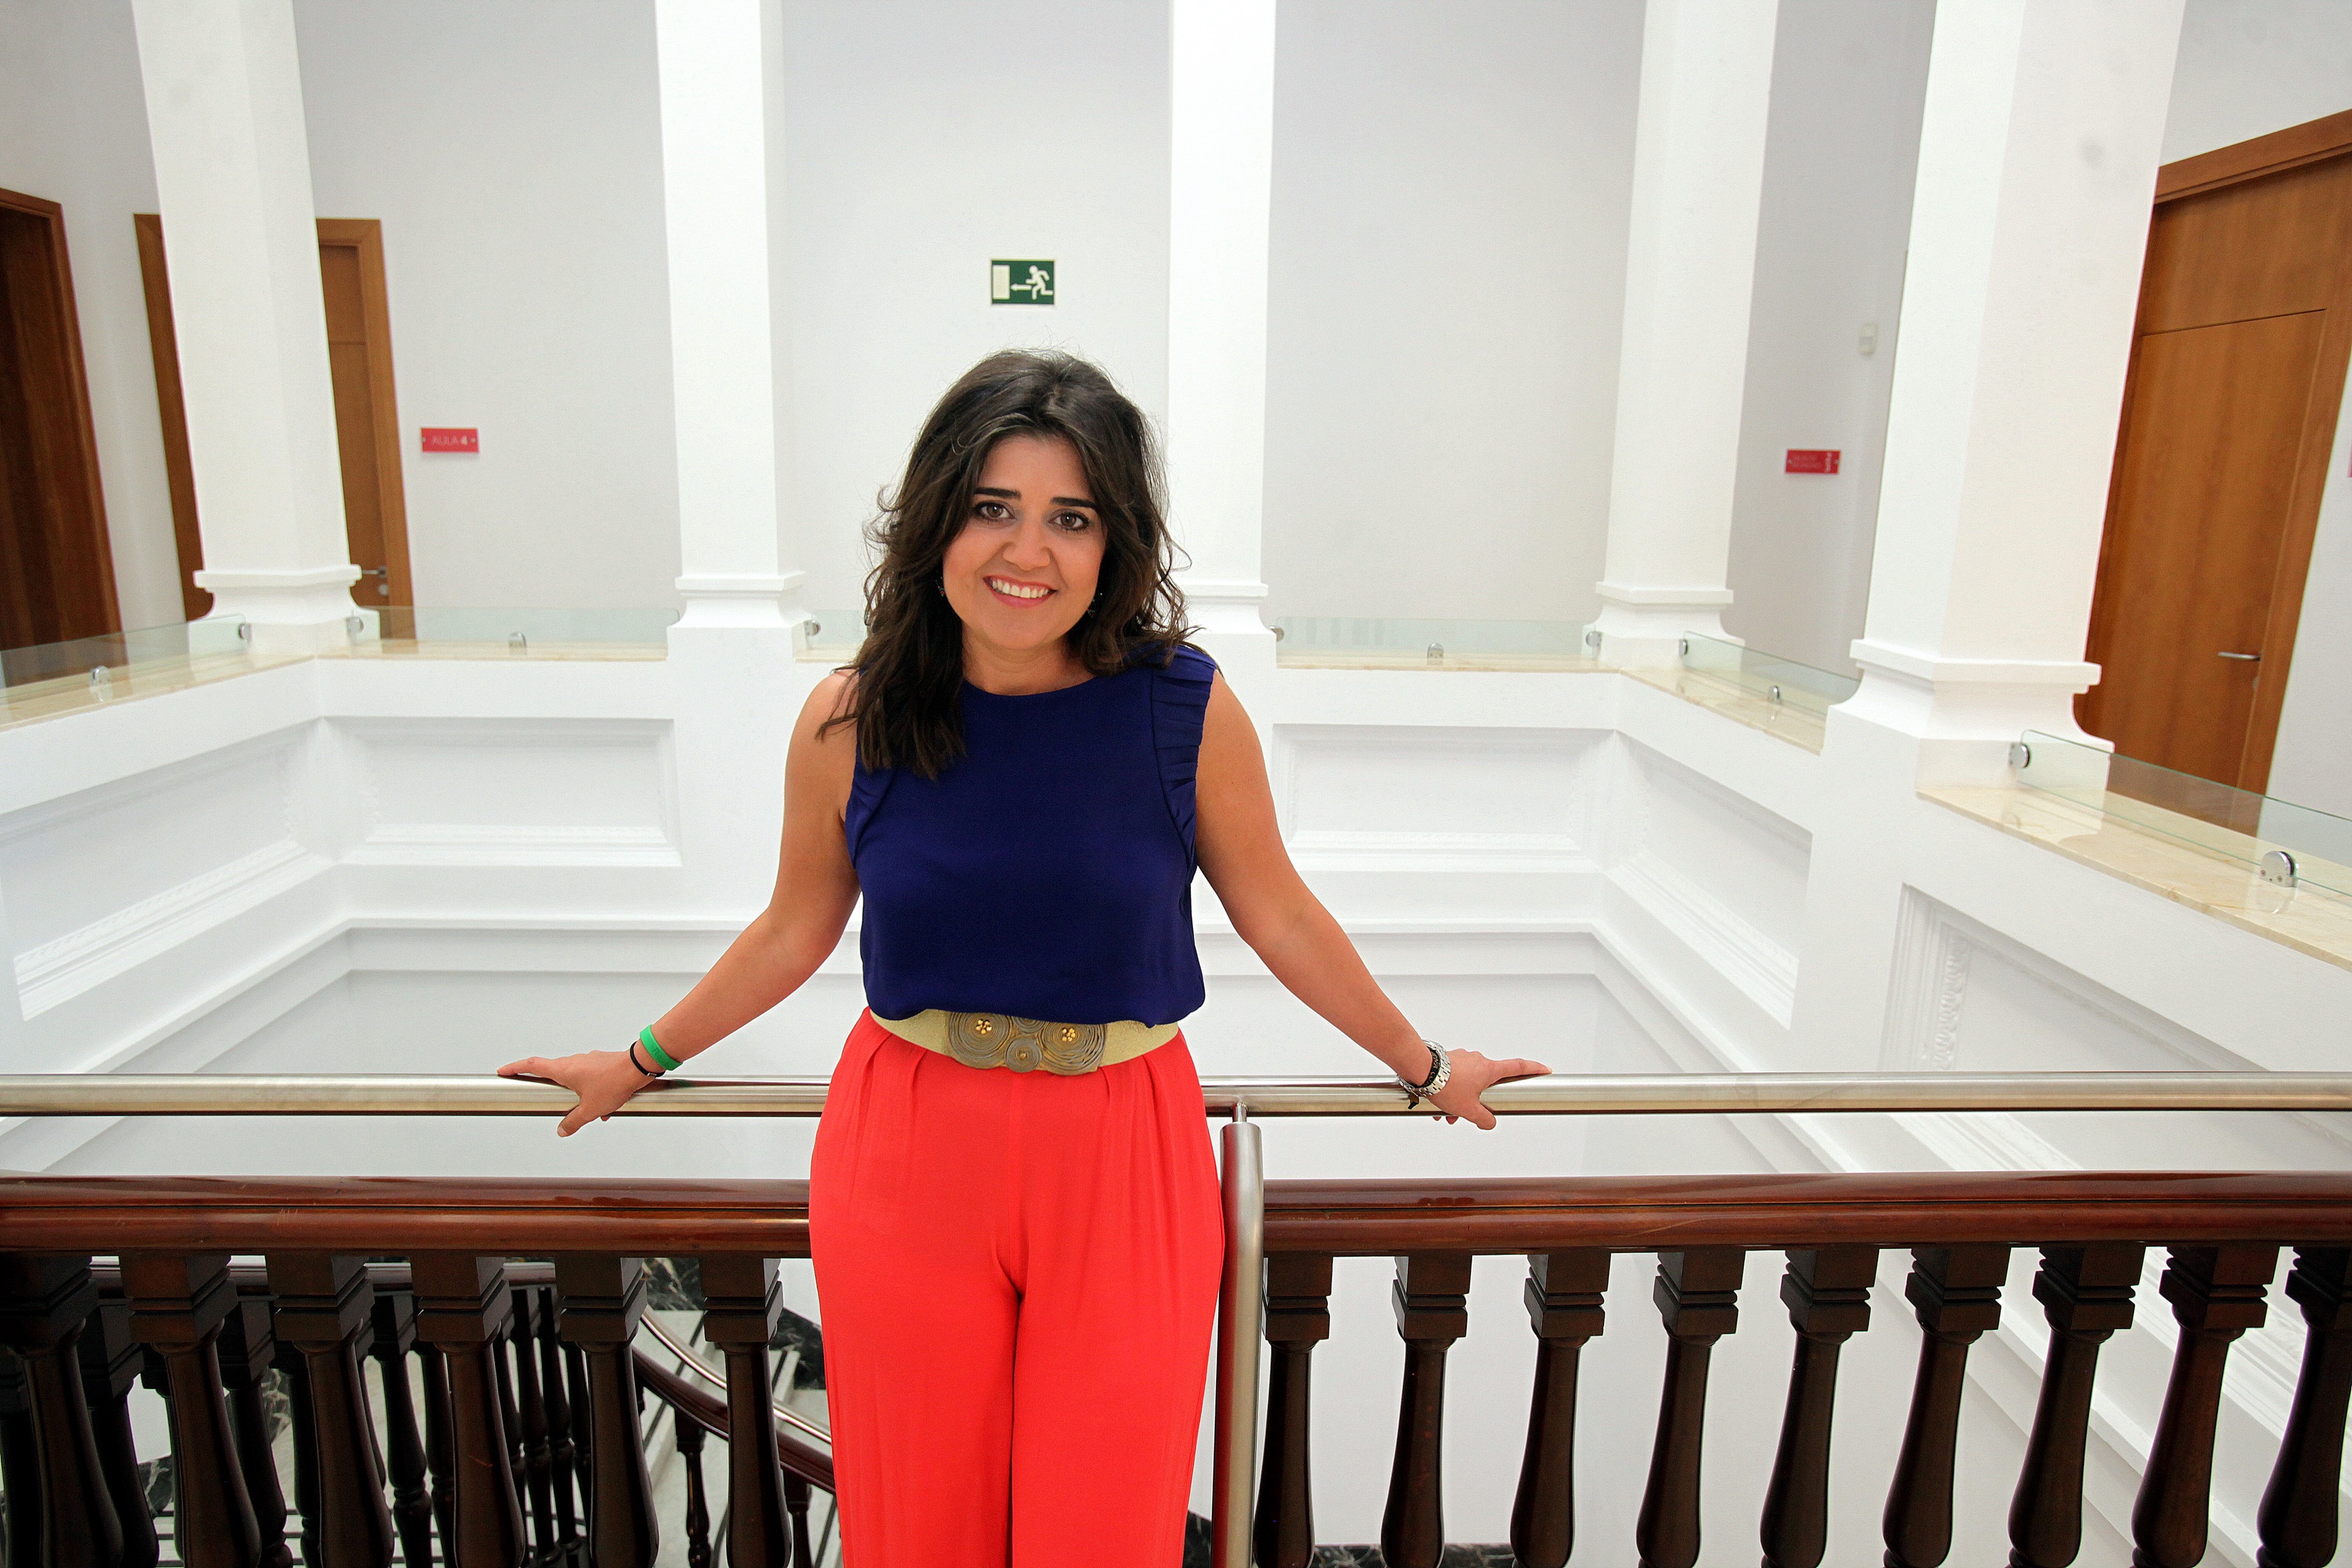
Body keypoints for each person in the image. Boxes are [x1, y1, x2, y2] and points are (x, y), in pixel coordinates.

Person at [500, 350, 1548, 1567]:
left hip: (1125, 1142)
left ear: (1113, 544)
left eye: (1071, 517)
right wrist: (638, 1058)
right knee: (917, 1526)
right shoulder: (851, 714)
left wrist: (1427, 1063)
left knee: (1105, 1526)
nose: (1027, 550)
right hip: (907, 1141)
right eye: (993, 506)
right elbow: (793, 927)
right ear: (936, 520)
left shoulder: (1182, 708)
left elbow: (1280, 914)